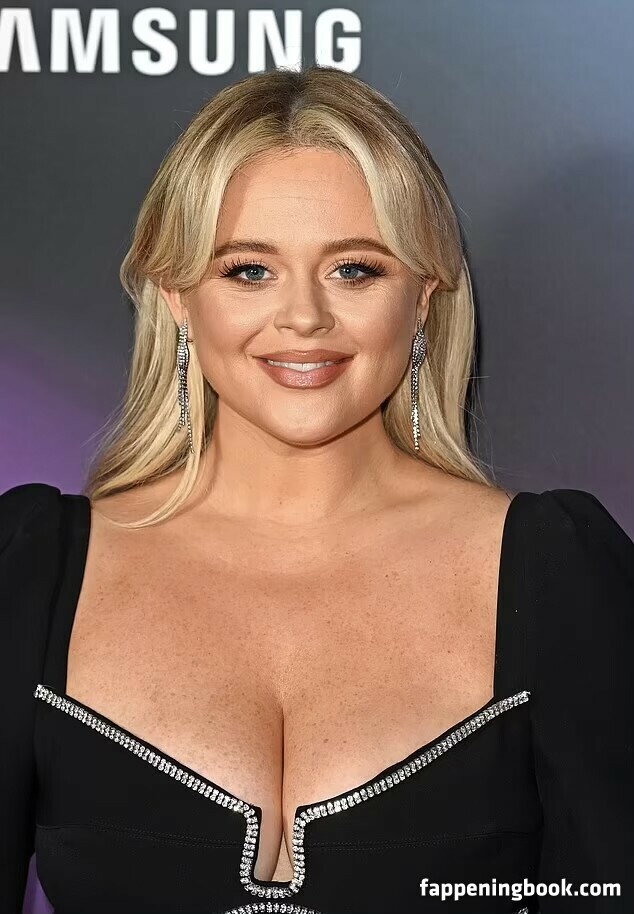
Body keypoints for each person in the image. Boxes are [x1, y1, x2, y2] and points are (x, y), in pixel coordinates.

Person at [1, 65, 633, 914]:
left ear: (424, 298)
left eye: (355, 270)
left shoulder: (559, 572)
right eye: (248, 271)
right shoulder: (33, 571)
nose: (303, 317)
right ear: (177, 296)